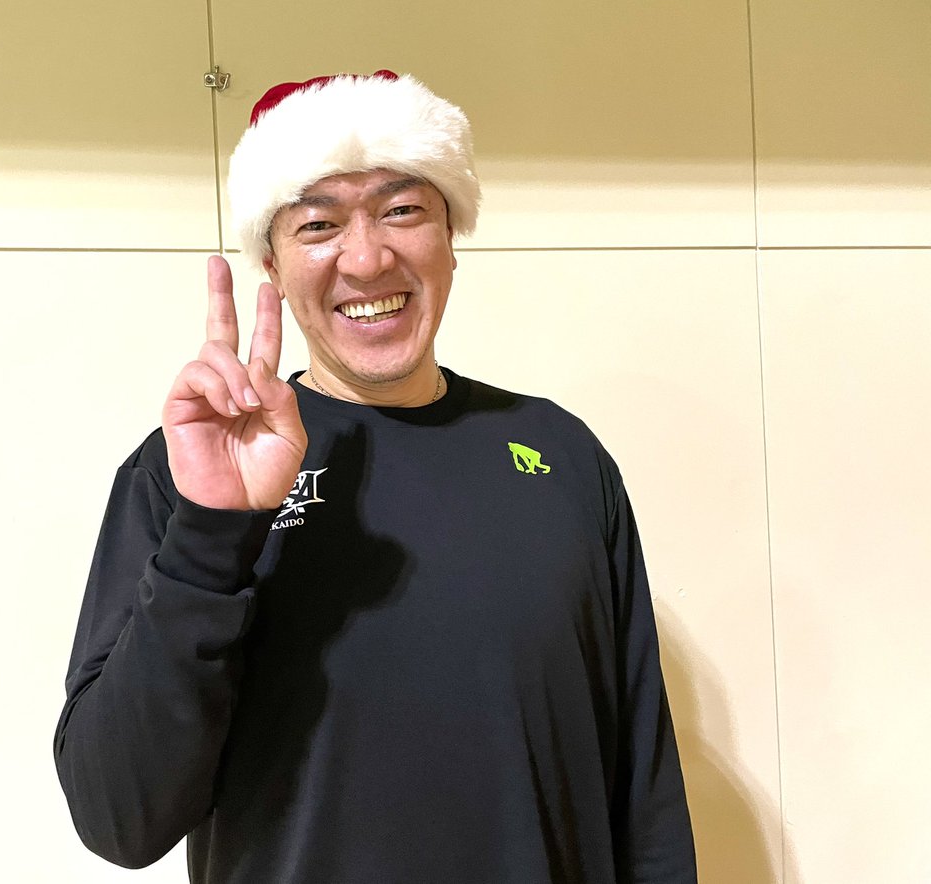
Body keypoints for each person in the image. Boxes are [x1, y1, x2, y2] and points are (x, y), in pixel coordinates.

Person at [54, 70, 697, 883]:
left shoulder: (561, 456)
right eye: (318, 224)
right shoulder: (190, 469)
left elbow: (642, 787)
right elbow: (119, 816)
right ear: (272, 264)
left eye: (402, 210)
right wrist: (212, 532)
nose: (365, 258)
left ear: (451, 236)